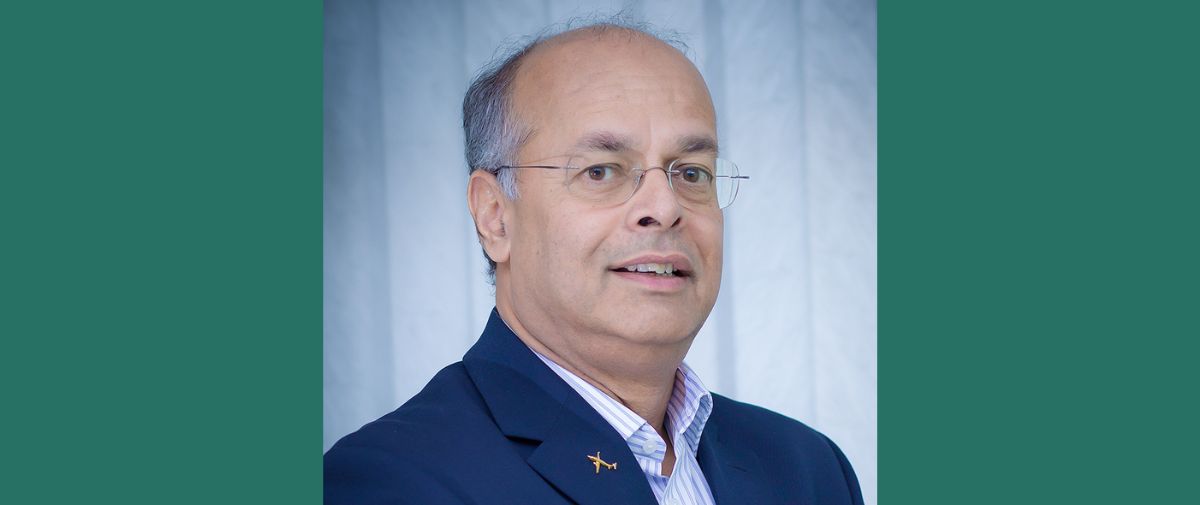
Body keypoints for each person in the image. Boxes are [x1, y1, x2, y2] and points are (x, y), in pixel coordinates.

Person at [325, 20, 864, 505]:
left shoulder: (810, 470)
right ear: (495, 217)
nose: (664, 207)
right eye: (601, 171)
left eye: (691, 172)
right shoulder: (390, 481)